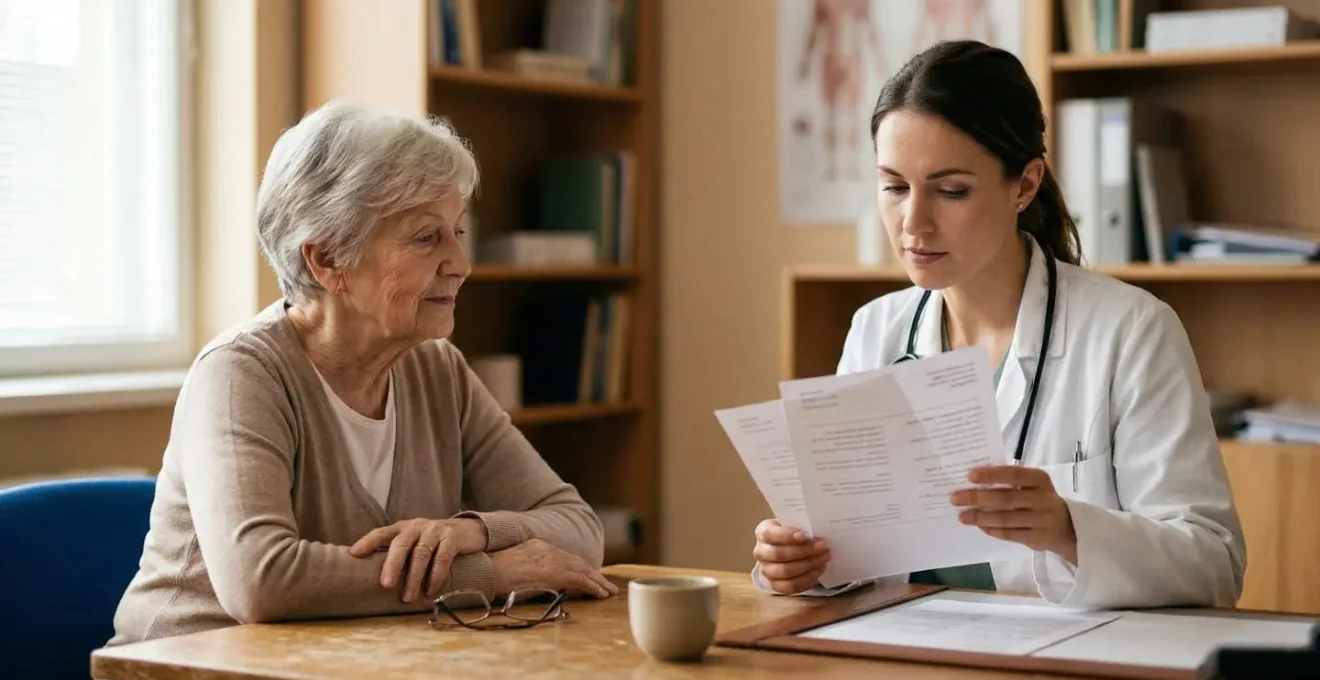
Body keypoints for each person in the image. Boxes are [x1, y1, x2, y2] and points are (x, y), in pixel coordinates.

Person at [752, 41, 1246, 609]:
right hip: (900, 653)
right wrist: (801, 563)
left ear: (1025, 185)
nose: (914, 222)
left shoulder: (1130, 331)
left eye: (951, 190)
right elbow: (849, 554)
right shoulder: (874, 330)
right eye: (894, 187)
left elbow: (1215, 564)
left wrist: (1067, 528)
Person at [108, 101, 616, 646]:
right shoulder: (239, 374)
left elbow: (578, 528)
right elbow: (260, 580)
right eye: (427, 238)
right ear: (325, 259)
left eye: (457, 232)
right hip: (187, 663)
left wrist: (471, 533)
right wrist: (491, 574)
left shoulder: (436, 368)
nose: (461, 264)